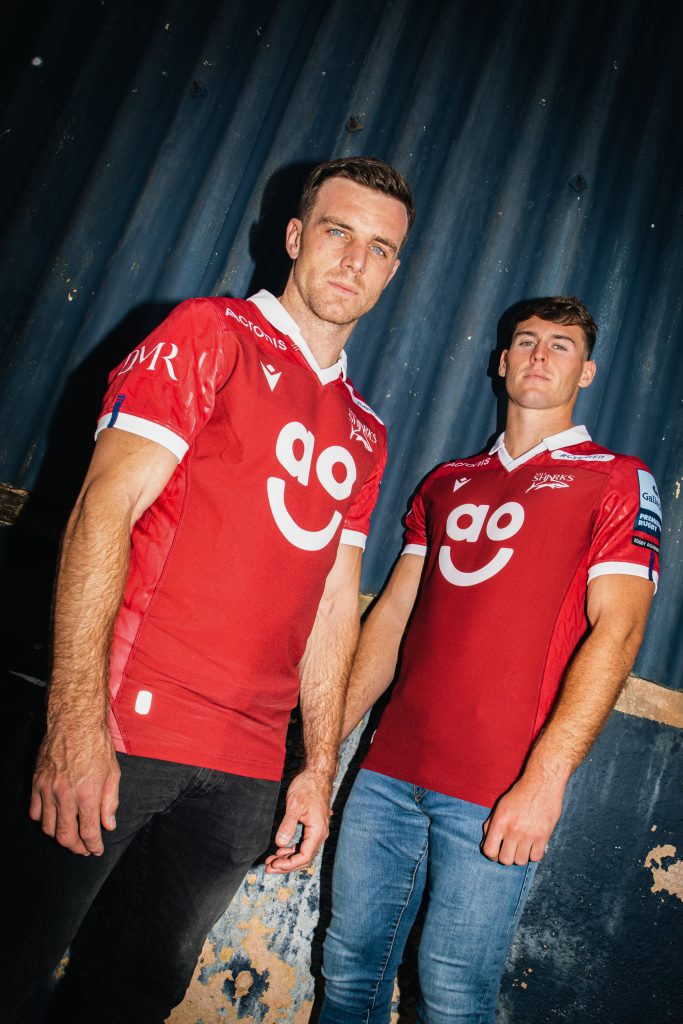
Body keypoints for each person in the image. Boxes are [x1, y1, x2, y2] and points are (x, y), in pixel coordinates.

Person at [0, 156, 414, 1022]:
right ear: (294, 237)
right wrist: (75, 720)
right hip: (126, 729)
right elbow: (102, 511)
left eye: (379, 249)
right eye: (337, 232)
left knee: (135, 995)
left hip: (246, 772)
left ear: (392, 270)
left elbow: (334, 605)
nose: (354, 260)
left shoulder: (366, 431)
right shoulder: (209, 332)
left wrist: (316, 769)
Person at [318, 296, 661, 1024]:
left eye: (561, 345)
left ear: (587, 371)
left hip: (496, 789)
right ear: (502, 362)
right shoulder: (446, 482)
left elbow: (620, 633)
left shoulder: (615, 478)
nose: (539, 355)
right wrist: (321, 757)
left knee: (451, 999)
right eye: (526, 341)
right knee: (346, 978)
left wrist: (544, 780)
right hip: (384, 779)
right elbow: (392, 619)